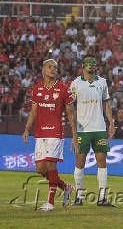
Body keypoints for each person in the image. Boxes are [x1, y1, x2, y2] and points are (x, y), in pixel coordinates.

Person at [22, 59, 77, 211]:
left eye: (55, 67)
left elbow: (71, 113)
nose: (53, 69)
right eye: (50, 67)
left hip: (55, 131)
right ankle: (66, 187)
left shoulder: (63, 88)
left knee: (51, 165)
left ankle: (50, 203)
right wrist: (27, 129)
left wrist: (74, 135)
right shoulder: (37, 88)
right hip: (40, 132)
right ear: (43, 69)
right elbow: (33, 112)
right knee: (40, 169)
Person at [70, 56, 115, 206]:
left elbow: (106, 104)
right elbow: (71, 108)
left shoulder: (102, 82)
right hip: (83, 129)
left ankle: (102, 198)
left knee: (102, 161)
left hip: (100, 128)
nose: (92, 68)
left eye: (94, 65)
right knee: (80, 161)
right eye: (90, 65)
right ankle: (79, 196)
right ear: (83, 66)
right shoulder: (75, 84)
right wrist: (74, 131)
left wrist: (111, 123)